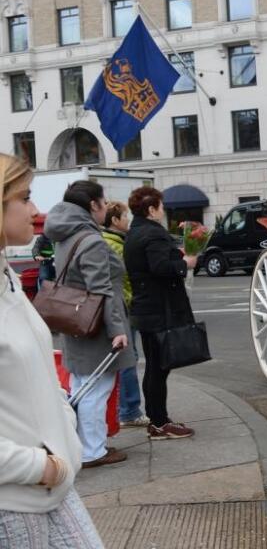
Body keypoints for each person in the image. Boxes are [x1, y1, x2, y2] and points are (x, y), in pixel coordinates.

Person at [0, 154, 104, 547]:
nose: (35, 209)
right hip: (15, 498)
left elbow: (38, 376)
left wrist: (64, 439)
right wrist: (42, 466)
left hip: (49, 486)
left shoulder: (7, 278)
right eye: (24, 198)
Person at [43, 181, 134, 469]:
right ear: (93, 205)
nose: (107, 207)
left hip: (74, 319)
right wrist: (117, 329)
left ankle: (82, 445)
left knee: (82, 385)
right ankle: (93, 450)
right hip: (96, 324)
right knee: (97, 389)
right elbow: (102, 289)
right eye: (103, 202)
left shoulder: (64, 234)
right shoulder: (91, 240)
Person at [124, 187, 196, 441]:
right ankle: (159, 422)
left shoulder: (135, 232)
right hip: (158, 310)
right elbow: (160, 267)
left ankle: (158, 419)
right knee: (158, 368)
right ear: (151, 209)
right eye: (161, 206)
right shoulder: (152, 234)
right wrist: (184, 263)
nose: (164, 211)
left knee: (157, 366)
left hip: (147, 309)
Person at [103, 201, 149, 429]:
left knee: (124, 359)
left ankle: (124, 409)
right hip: (124, 308)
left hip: (117, 307)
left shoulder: (108, 241)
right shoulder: (117, 245)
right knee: (129, 359)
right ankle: (130, 410)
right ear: (114, 220)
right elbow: (126, 279)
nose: (128, 220)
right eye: (125, 216)